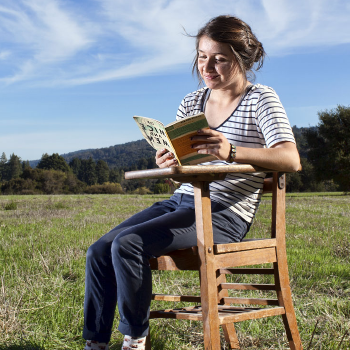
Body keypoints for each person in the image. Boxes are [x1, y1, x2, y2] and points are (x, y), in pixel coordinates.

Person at [82, 15, 300, 350]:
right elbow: (185, 168)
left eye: (219, 59)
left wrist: (231, 151)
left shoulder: (260, 99)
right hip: (182, 202)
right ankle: (95, 344)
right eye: (202, 56)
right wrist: (170, 163)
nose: (207, 67)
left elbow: (290, 159)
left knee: (128, 244)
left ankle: (135, 339)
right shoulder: (192, 102)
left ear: (242, 60)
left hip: (224, 215)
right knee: (99, 250)